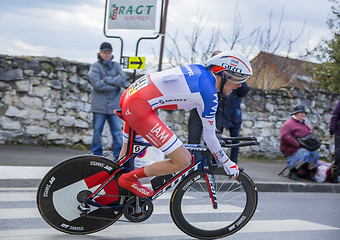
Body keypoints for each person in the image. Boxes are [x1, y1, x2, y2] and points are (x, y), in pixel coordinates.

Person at [117, 51, 253, 197]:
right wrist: (227, 162)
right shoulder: (209, 93)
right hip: (139, 106)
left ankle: (112, 186)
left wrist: (216, 135)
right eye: (239, 78)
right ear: (224, 74)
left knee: (125, 160)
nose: (240, 85)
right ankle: (128, 179)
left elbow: (209, 127)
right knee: (184, 161)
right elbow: (209, 137)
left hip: (131, 95)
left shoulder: (201, 73)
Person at [88, 42, 127, 160]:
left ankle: (119, 156)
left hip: (114, 106)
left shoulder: (116, 65)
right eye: (105, 52)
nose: (107, 55)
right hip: (99, 106)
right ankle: (96, 154)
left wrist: (105, 79)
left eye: (109, 52)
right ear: (100, 53)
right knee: (97, 131)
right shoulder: (95, 66)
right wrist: (115, 84)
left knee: (117, 132)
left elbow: (123, 80)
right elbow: (97, 85)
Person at [280, 104, 319, 181]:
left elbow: (311, 133)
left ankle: (310, 172)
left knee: (314, 153)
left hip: (304, 146)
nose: (303, 114)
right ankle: (293, 171)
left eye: (304, 113)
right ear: (295, 113)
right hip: (291, 148)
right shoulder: (288, 124)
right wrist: (298, 144)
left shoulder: (304, 124)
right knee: (304, 153)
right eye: (300, 112)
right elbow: (285, 137)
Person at [330, 100, 340, 183]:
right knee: (338, 154)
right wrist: (332, 127)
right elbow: (335, 115)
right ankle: (335, 174)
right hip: (339, 133)